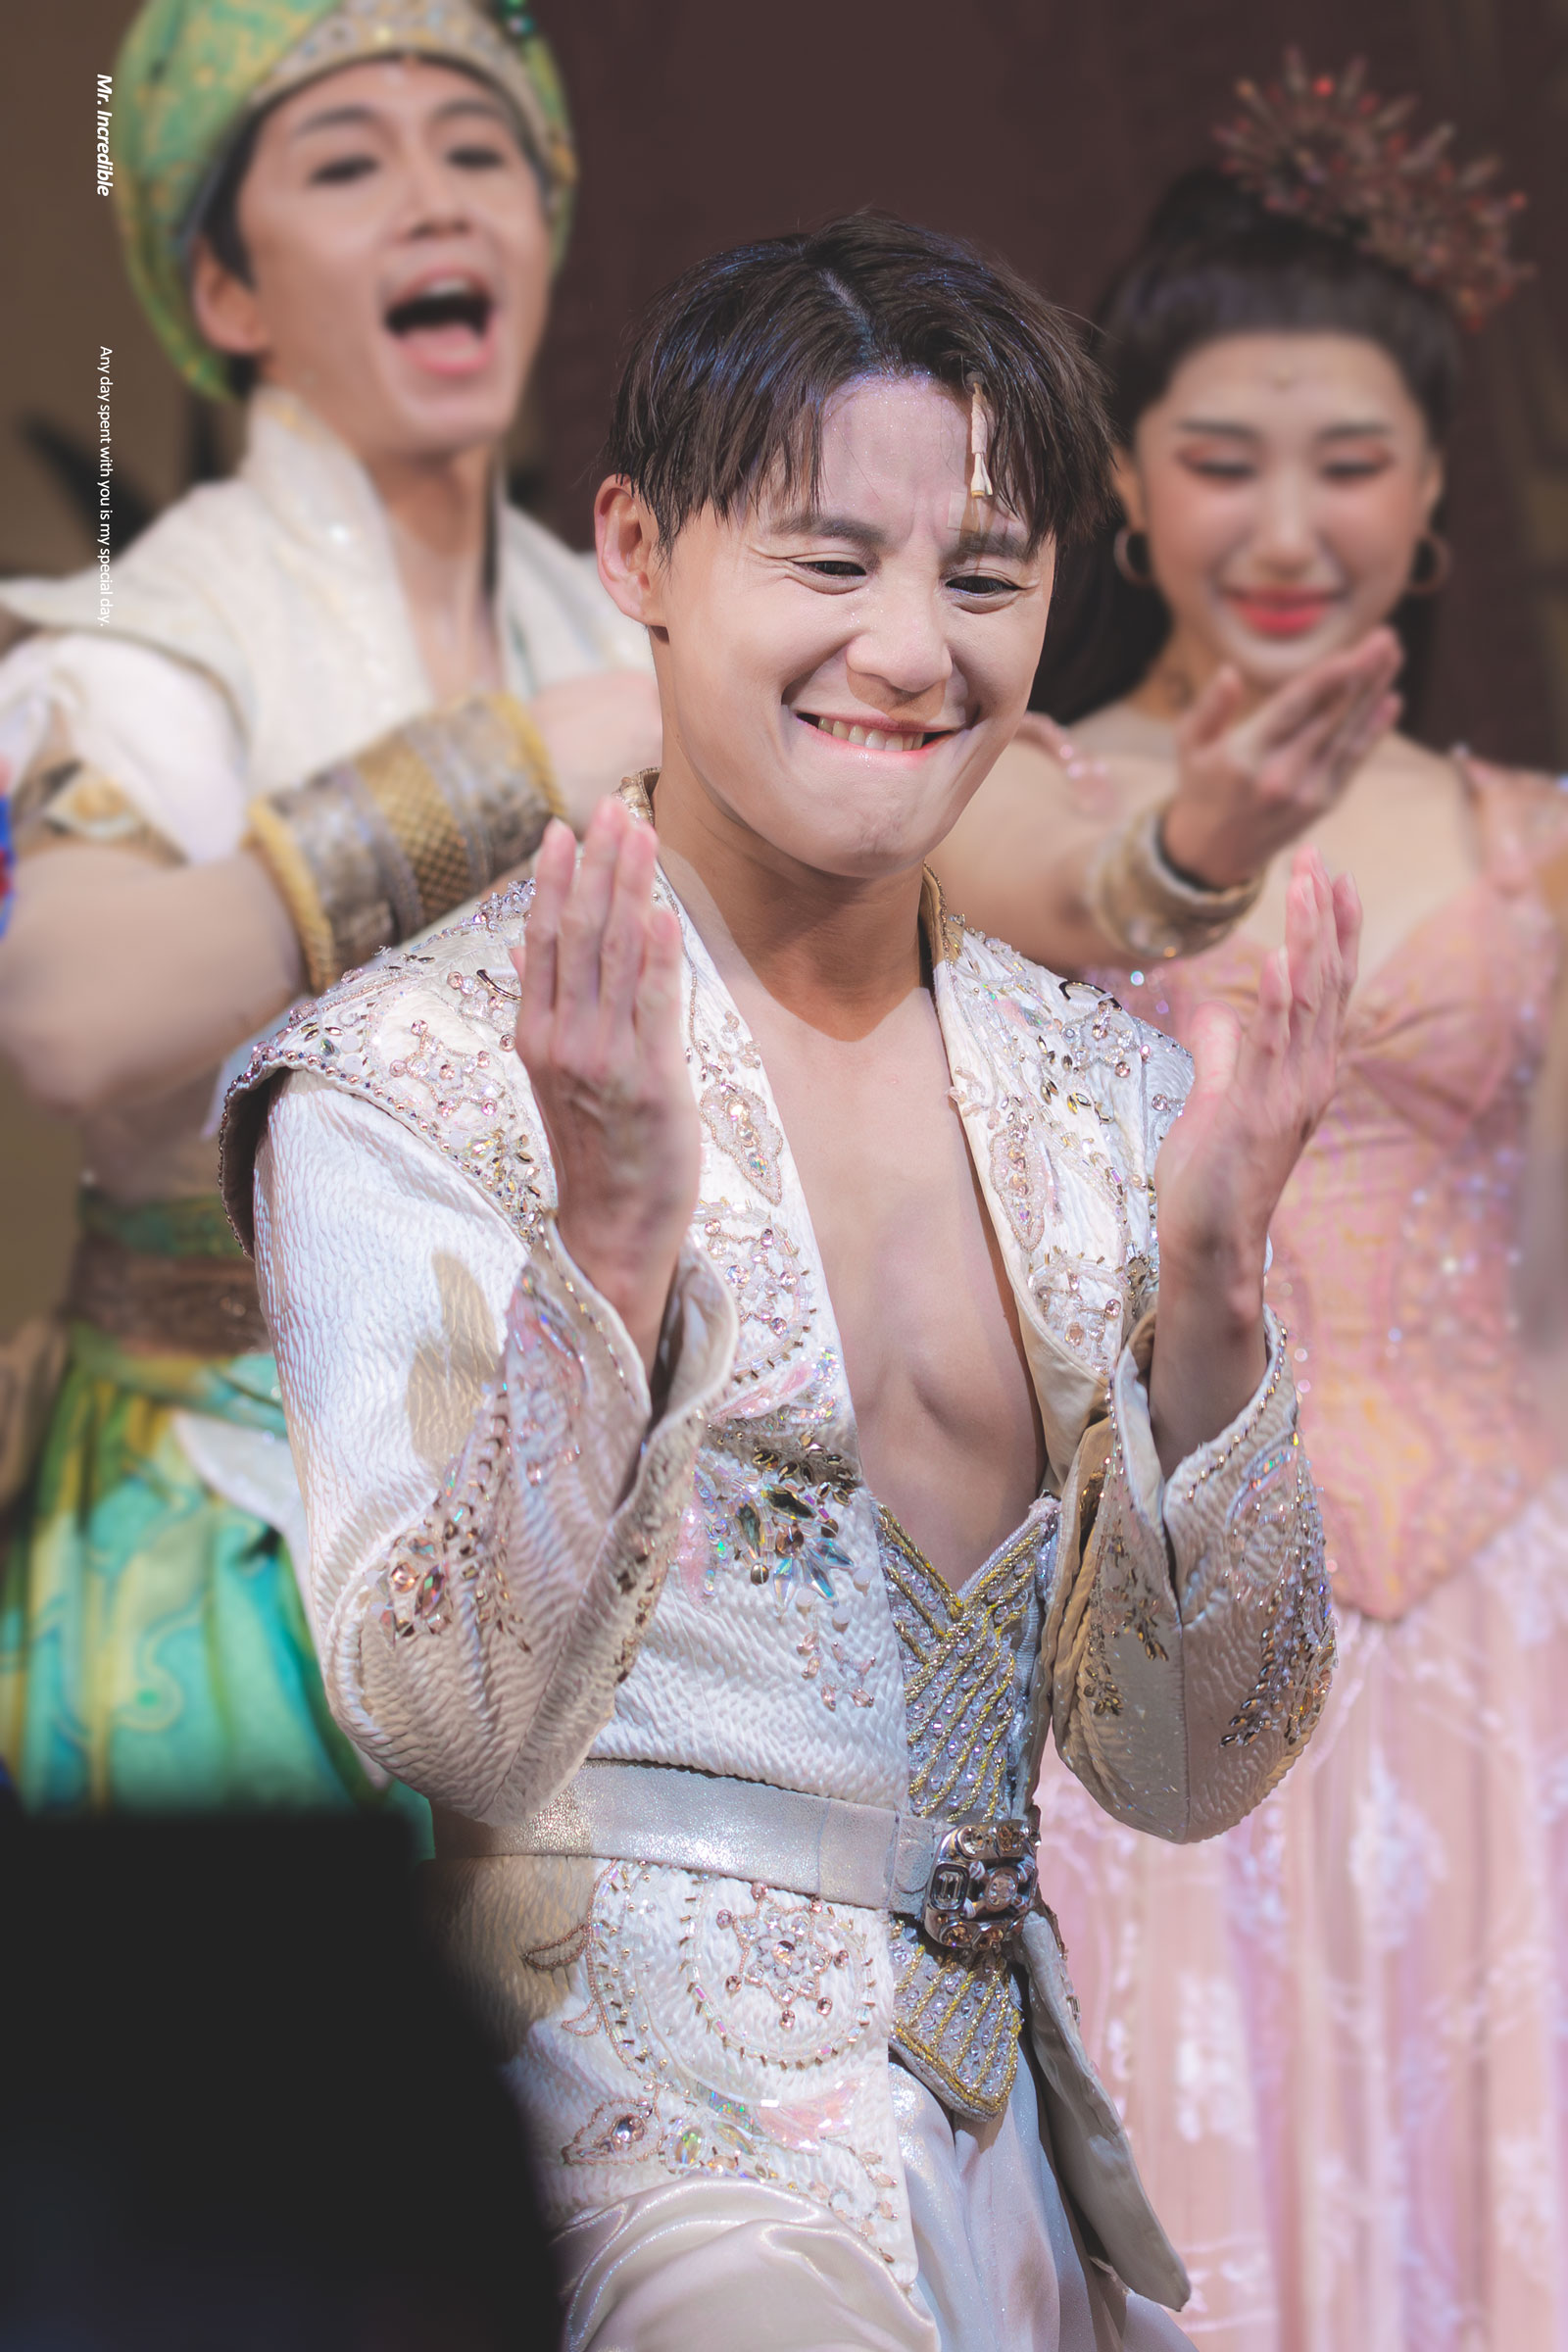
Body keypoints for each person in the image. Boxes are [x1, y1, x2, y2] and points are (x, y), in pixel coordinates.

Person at [222, 213, 1352, 2351]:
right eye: (829, 564)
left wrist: (1211, 1304)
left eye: (984, 580)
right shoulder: (414, 1077)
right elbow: (442, 1724)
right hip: (622, 2154)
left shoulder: (1098, 1092)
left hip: (1003, 2163)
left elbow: (1185, 1770)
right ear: (638, 551)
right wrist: (609, 1254)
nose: (910, 651)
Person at [932, 57, 1565, 2349]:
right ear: (1118, 480)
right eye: (1217, 459)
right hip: (1149, 1624)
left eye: (1347, 461)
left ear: (1432, 488)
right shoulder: (1019, 808)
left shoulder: (1529, 842)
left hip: (1498, 1619)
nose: (1283, 524)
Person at [0, 0, 660, 1817]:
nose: (436, 200)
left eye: (478, 151)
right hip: (235, 1546)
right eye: (351, 164)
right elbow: (64, 1011)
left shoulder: (608, 628)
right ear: (227, 291)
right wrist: (503, 769)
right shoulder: (154, 638)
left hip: (570, 1521)